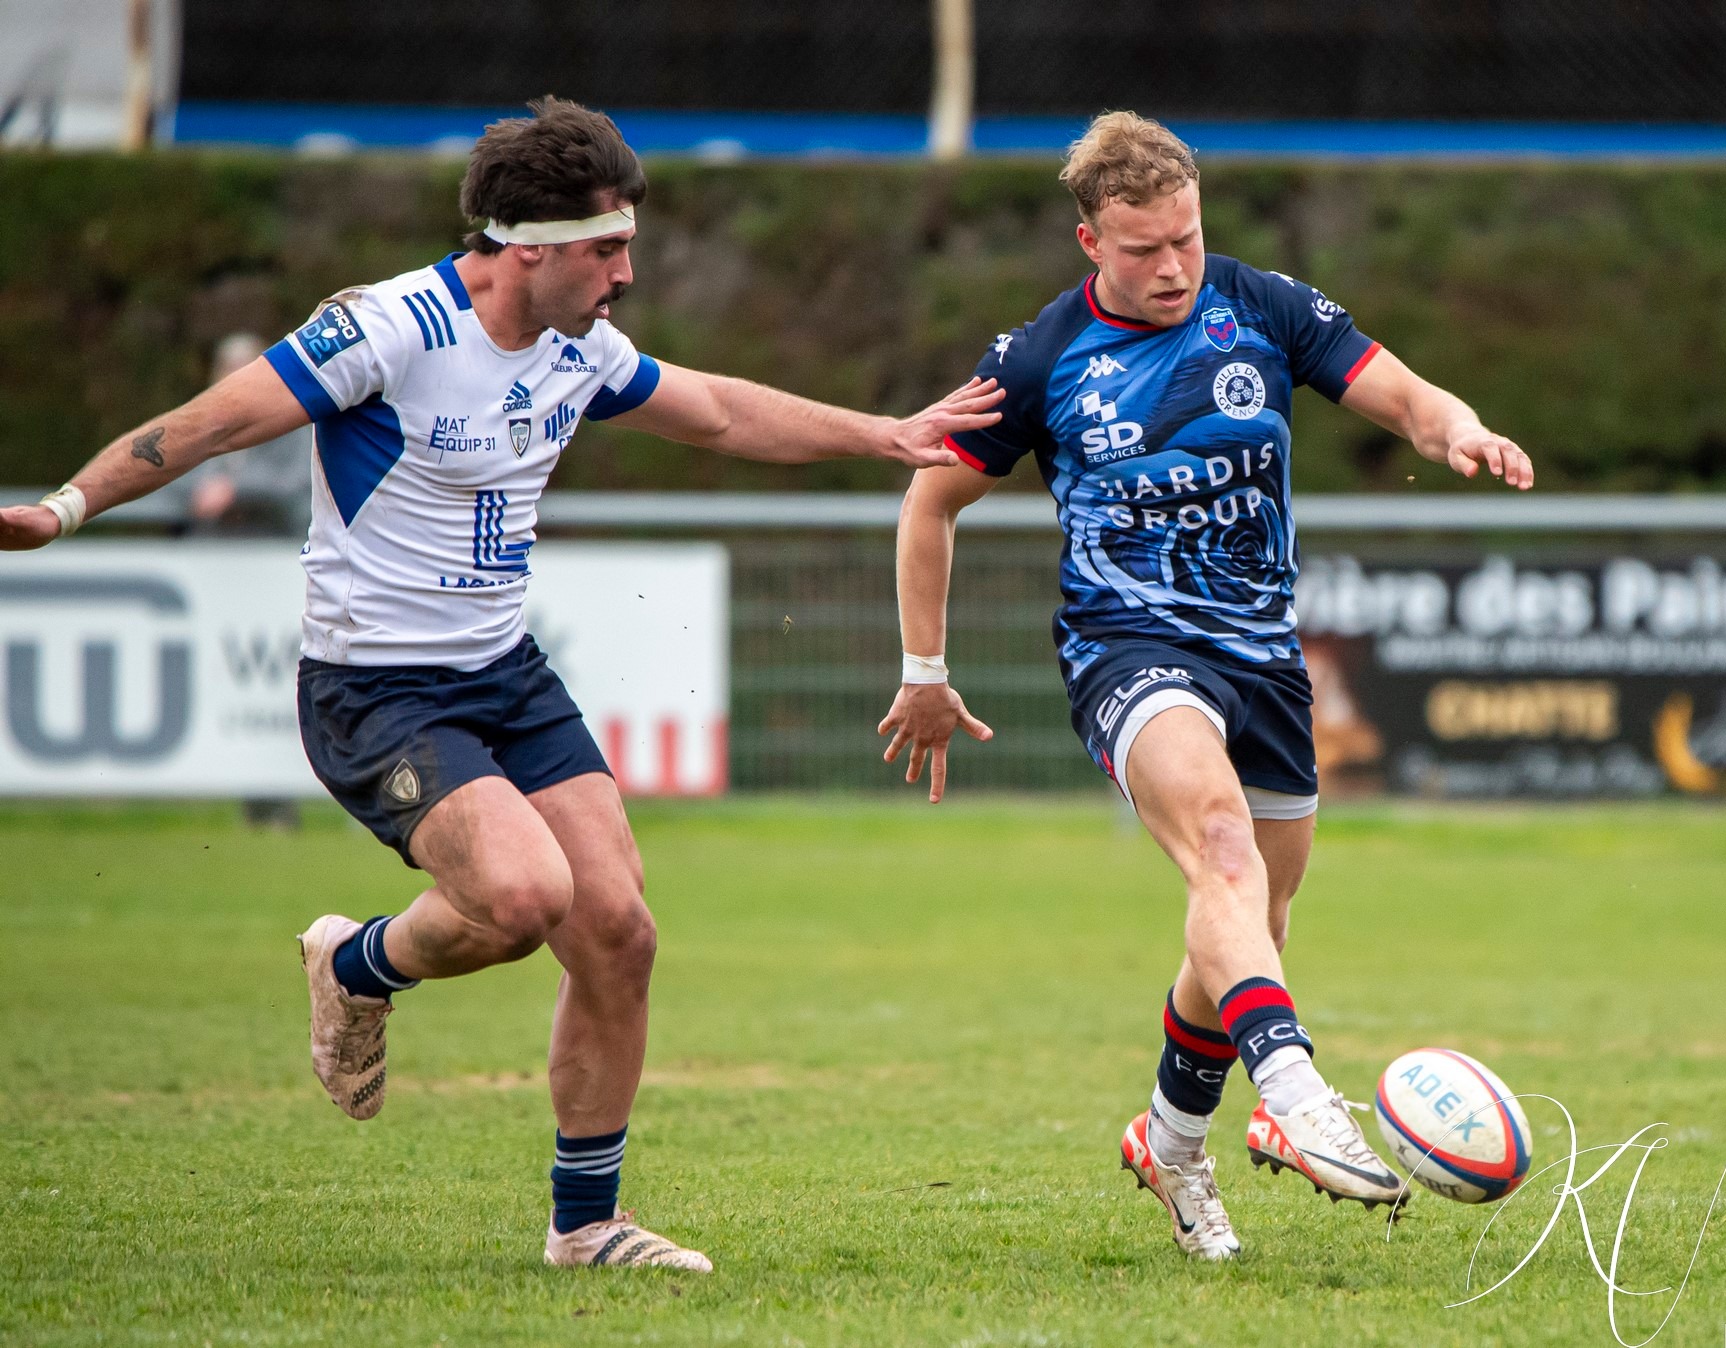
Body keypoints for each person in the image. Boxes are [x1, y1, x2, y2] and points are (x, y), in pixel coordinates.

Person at [0, 96, 1003, 1272]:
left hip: (504, 675)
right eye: (604, 248)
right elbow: (211, 426)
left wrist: (885, 435)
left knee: (619, 931)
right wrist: (66, 506)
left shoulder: (582, 346)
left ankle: (585, 1226)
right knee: (526, 898)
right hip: (375, 691)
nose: (625, 270)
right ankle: (356, 963)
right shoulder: (389, 329)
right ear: (525, 248)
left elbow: (722, 412)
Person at [878, 111, 1532, 1261]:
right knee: (1219, 850)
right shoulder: (1036, 358)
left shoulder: (1264, 305)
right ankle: (1295, 1090)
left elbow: (1405, 398)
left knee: (1242, 929)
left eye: (1184, 236)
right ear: (1090, 241)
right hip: (1125, 647)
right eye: (1142, 247)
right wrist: (922, 669)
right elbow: (929, 500)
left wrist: (1461, 429)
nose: (1173, 265)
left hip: (1264, 661)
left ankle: (1172, 1146)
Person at [172, 332, 316, 538]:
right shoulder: (198, 428)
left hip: (273, 543)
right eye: (228, 368)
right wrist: (202, 491)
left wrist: (235, 491)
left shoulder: (292, 426)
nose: (235, 378)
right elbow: (172, 478)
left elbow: (300, 483)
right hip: (205, 545)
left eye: (245, 369)